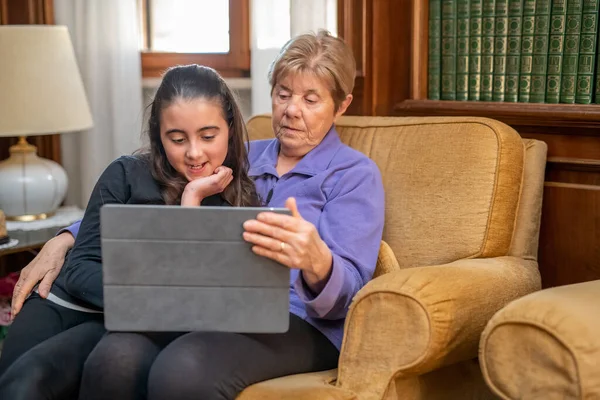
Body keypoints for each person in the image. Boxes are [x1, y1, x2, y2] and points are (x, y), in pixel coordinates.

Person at [9, 30, 385, 400]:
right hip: (213, 309)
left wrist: (316, 261)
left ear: (341, 105)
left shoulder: (353, 175)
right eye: (283, 94)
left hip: (299, 320)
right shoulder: (237, 154)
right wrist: (67, 237)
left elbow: (349, 291)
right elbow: (153, 199)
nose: (291, 110)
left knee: (182, 371)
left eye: (311, 99)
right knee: (115, 357)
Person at [0, 64, 258, 399]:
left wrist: (191, 200)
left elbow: (193, 296)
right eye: (177, 139)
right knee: (17, 384)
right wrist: (147, 299)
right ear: (158, 134)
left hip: (119, 324)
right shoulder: (125, 173)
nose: (194, 153)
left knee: (43, 379)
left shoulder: (239, 202)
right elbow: (79, 270)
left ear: (230, 130)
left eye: (208, 137)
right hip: (63, 302)